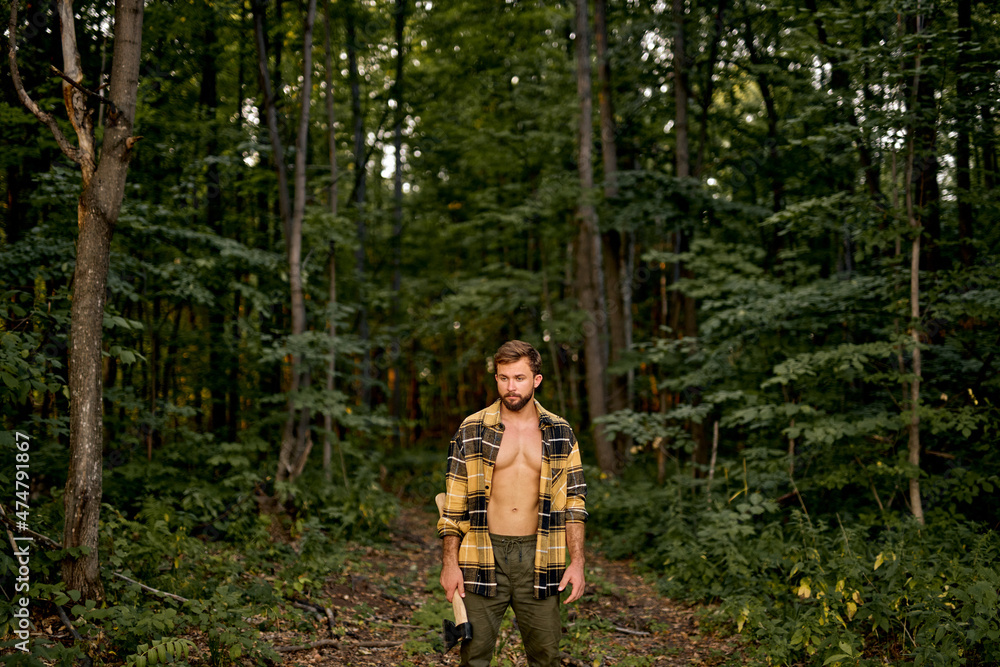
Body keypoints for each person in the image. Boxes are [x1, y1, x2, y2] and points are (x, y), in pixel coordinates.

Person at [437, 340, 588, 667]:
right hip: (481, 552)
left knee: (546, 655)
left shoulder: (560, 431)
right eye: (503, 378)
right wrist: (450, 562)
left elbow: (575, 502)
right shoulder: (472, 428)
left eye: (519, 378)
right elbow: (453, 505)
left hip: (541, 554)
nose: (511, 387)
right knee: (473, 654)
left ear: (536, 380)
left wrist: (577, 561)